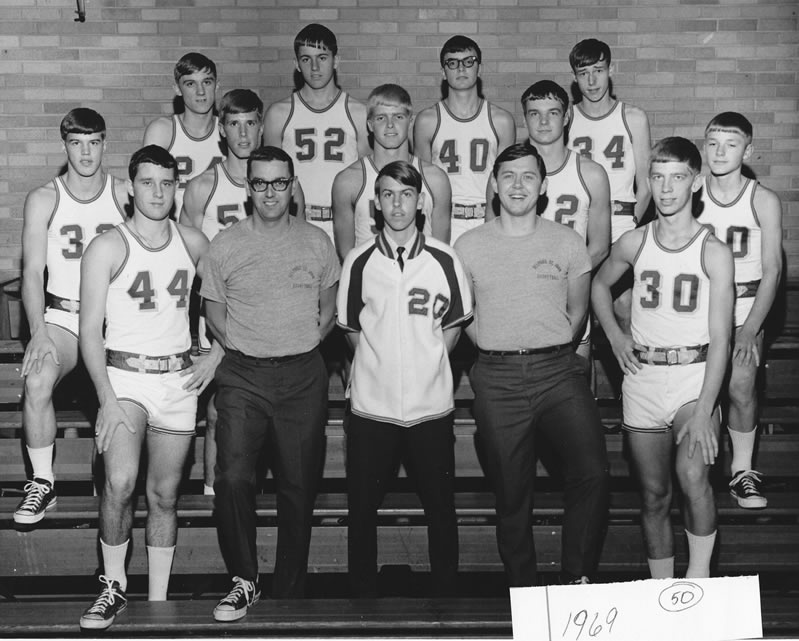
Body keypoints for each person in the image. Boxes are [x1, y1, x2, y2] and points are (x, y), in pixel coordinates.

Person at [454, 143, 609, 587]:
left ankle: (576, 578)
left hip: (558, 372)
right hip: (497, 376)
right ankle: (523, 588)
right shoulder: (468, 246)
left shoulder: (566, 241)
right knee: (511, 490)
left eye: (527, 176)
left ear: (542, 186)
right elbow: (462, 313)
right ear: (494, 185)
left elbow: (577, 311)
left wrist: (550, 345)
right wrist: (489, 342)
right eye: (507, 176)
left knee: (592, 471)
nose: (517, 185)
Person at [201, 146, 340, 621]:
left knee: (298, 486)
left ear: (292, 184)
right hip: (244, 375)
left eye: (279, 182)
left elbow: (329, 308)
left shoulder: (317, 242)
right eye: (260, 183)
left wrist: (303, 341)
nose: (270, 192)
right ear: (247, 187)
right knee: (234, 477)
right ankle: (244, 580)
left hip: (302, 376)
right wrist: (245, 344)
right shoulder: (226, 245)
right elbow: (214, 313)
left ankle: (290, 593)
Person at [78, 145, 212, 629]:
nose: (158, 192)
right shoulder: (108, 245)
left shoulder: (195, 242)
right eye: (148, 182)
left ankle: (157, 602)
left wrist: (215, 353)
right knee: (119, 482)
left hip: (177, 380)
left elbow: (229, 302)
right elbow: (89, 330)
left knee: (165, 496)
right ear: (130, 185)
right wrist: (107, 400)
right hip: (125, 378)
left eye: (167, 183)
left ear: (177, 189)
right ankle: (112, 588)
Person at [591, 137, 734, 579]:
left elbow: (721, 337)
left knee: (693, 477)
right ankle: (662, 591)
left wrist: (706, 409)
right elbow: (598, 286)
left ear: (696, 182)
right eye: (658, 177)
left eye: (677, 178)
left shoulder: (714, 251)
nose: (667, 188)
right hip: (644, 379)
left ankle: (700, 583)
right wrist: (614, 336)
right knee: (653, 494)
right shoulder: (635, 242)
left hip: (694, 378)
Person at [338, 160, 472, 597]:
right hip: (371, 409)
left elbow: (453, 326)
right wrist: (379, 368)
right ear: (376, 203)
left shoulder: (445, 259)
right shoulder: (358, 262)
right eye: (389, 195)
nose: (398, 204)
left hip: (429, 408)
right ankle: (362, 600)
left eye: (407, 194)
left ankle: (446, 599)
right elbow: (352, 330)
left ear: (421, 202)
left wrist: (425, 361)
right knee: (361, 510)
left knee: (440, 508)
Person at [14, 108, 127, 531]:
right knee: (37, 377)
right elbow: (30, 272)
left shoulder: (125, 194)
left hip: (114, 322)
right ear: (64, 146)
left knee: (124, 403)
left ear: (104, 143)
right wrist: (39, 331)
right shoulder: (45, 197)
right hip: (63, 317)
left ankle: (118, 490)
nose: (86, 152)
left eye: (94, 142)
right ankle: (43, 481)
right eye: (77, 143)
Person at [487, 80, 610, 364]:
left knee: (574, 380)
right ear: (524, 117)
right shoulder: (505, 175)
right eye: (534, 113)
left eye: (552, 113)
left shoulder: (591, 174)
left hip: (569, 292)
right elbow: (490, 241)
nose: (543, 121)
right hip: (515, 292)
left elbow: (601, 245)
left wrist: (559, 276)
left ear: (566, 117)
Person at [697, 112, 783, 509]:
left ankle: (742, 471)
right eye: (713, 142)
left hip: (746, 303)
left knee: (741, 382)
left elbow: (773, 270)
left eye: (731, 144)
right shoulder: (691, 190)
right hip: (699, 303)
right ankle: (696, 470)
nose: (720, 151)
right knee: (696, 389)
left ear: (748, 150)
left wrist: (749, 329)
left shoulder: (762, 199)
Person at [180, 88, 264, 496]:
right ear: (222, 130)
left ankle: (237, 496)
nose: (243, 133)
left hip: (260, 313)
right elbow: (181, 259)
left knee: (241, 411)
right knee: (208, 410)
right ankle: (211, 497)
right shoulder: (201, 187)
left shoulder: (281, 187)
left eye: (250, 123)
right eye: (234, 123)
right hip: (211, 312)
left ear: (261, 127)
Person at [567, 38, 651, 335]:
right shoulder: (566, 119)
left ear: (610, 70)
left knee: (624, 307)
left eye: (598, 70)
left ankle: (633, 381)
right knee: (576, 317)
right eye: (583, 72)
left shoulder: (633, 118)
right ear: (574, 78)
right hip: (578, 224)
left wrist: (631, 224)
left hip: (620, 223)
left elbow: (647, 183)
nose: (592, 80)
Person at [264, 23, 369, 242]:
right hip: (297, 224)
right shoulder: (279, 114)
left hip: (346, 225)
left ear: (336, 60)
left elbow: (367, 179)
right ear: (296, 64)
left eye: (322, 57)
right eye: (306, 59)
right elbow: (270, 181)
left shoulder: (358, 112)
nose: (314, 67)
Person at [414, 35, 516, 244]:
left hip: (488, 220)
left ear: (479, 69)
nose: (461, 68)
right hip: (442, 221)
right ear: (443, 72)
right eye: (453, 63)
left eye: (468, 62)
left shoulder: (501, 121)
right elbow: (422, 183)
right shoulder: (427, 120)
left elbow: (507, 182)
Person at [332, 84, 452, 260]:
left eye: (398, 117)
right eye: (381, 118)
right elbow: (347, 255)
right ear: (370, 125)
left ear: (410, 122)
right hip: (370, 280)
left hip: (420, 280)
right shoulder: (348, 181)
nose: (390, 125)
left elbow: (441, 252)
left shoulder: (435, 179)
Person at [143, 52, 224, 216]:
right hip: (176, 232)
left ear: (216, 86)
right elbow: (147, 189)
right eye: (190, 84)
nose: (200, 91)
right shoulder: (163, 131)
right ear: (178, 89)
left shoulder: (229, 130)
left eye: (206, 82)